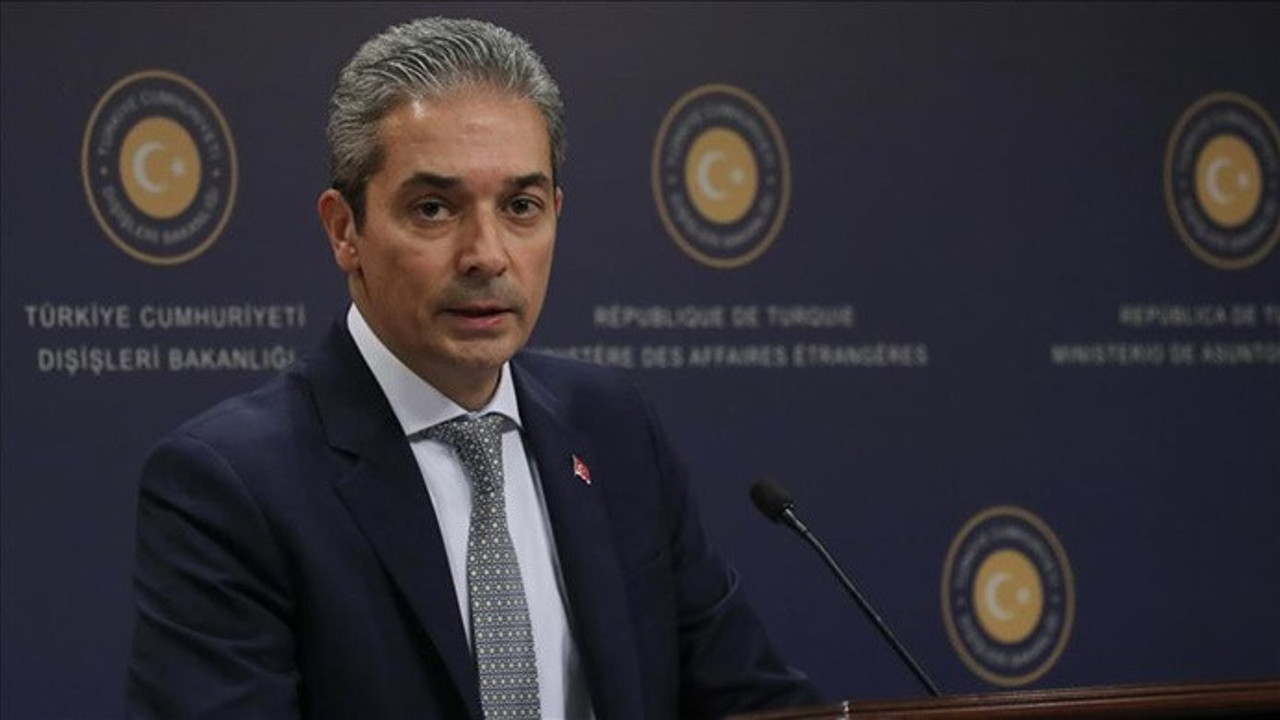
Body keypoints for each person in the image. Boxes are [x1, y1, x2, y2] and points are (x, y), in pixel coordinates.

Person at [127, 16, 820, 719]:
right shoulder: (232, 486)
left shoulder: (612, 428)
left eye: (521, 207)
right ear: (345, 230)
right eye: (433, 208)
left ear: (556, 213)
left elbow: (752, 700)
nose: (487, 254)